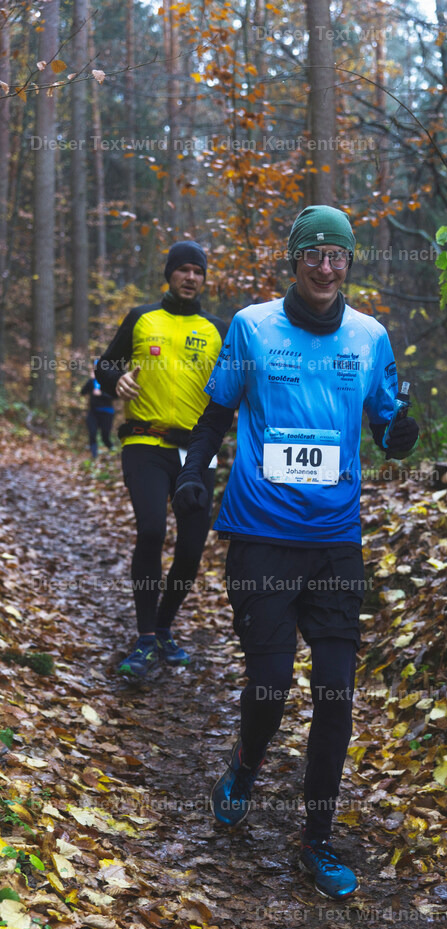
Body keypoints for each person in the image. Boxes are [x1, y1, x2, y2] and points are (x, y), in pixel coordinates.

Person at [172, 206, 419, 901]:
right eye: (313, 253)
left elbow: (386, 420)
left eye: (337, 255)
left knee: (336, 692)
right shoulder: (251, 327)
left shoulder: (369, 337)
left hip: (336, 542)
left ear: (349, 263)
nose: (325, 266)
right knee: (273, 685)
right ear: (295, 259)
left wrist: (401, 435)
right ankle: (244, 770)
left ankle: (317, 840)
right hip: (260, 535)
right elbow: (218, 411)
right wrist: (195, 471)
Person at [95, 241, 229, 678]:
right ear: (169, 274)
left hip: (197, 451)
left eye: (198, 271)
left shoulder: (216, 329)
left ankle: (165, 625)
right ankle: (145, 637)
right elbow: (104, 365)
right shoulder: (141, 317)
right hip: (144, 442)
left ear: (204, 280)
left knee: (192, 548)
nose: (191, 277)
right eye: (184, 270)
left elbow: (232, 389)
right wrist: (116, 380)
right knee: (152, 530)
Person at [81, 363, 116, 458]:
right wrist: (90, 380)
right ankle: (94, 456)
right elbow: (82, 392)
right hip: (94, 412)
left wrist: (101, 394)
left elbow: (115, 396)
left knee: (105, 436)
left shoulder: (108, 382)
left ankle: (113, 451)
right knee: (92, 433)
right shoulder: (92, 382)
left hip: (107, 413)